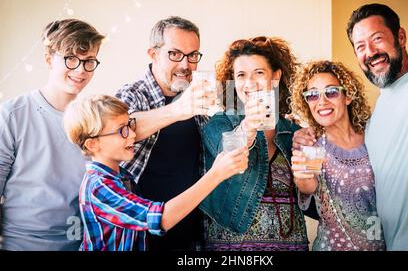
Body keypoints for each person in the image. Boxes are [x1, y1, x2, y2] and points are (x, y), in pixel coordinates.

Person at [294, 3, 408, 251]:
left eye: (377, 39)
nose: (370, 52)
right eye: (360, 47)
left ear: (401, 37)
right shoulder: (375, 118)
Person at [62, 95, 247, 251]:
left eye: (130, 124)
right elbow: (160, 219)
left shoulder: (122, 177)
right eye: (122, 131)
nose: (133, 135)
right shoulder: (98, 187)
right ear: (92, 144)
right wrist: (216, 174)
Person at [0, 19, 105, 250]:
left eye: (89, 61)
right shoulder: (11, 115)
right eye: (71, 59)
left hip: (81, 244)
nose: (80, 70)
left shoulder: (95, 120)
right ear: (49, 59)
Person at [200, 36, 310, 251]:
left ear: (276, 77)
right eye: (241, 75)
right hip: (232, 249)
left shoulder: (293, 132)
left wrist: (312, 139)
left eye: (259, 73)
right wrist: (249, 125)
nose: (249, 83)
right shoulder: (218, 124)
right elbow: (228, 154)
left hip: (292, 245)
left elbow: (311, 194)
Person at [115, 16, 215, 251]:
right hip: (140, 238)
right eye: (175, 54)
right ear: (153, 54)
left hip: (190, 239)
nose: (185, 64)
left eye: (193, 56)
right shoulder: (133, 93)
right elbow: (122, 129)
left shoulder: (197, 102)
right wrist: (178, 110)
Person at [290, 60, 385, 251]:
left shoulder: (375, 136)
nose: (322, 102)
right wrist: (302, 178)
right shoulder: (310, 145)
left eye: (331, 92)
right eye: (313, 95)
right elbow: (308, 187)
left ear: (348, 96)